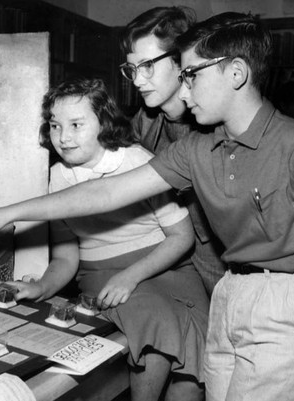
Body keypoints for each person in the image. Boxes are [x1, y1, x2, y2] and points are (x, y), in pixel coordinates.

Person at [0, 12, 294, 401]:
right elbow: (105, 194)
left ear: (235, 73)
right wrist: (5, 214)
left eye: (191, 76)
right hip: (234, 293)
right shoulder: (198, 147)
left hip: (288, 294)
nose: (183, 93)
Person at [7, 78, 208, 401]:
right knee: (154, 317)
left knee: (193, 354)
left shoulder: (137, 161)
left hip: (166, 267)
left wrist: (130, 276)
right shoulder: (58, 176)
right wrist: (41, 287)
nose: (63, 137)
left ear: (104, 122)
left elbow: (182, 238)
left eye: (76, 124)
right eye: (55, 125)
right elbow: (65, 258)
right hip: (101, 275)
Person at [119, 6, 226, 296]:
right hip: (161, 250)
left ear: (180, 62)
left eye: (147, 66)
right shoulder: (145, 118)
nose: (138, 80)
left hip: (214, 257)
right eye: (132, 69)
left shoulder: (213, 122)